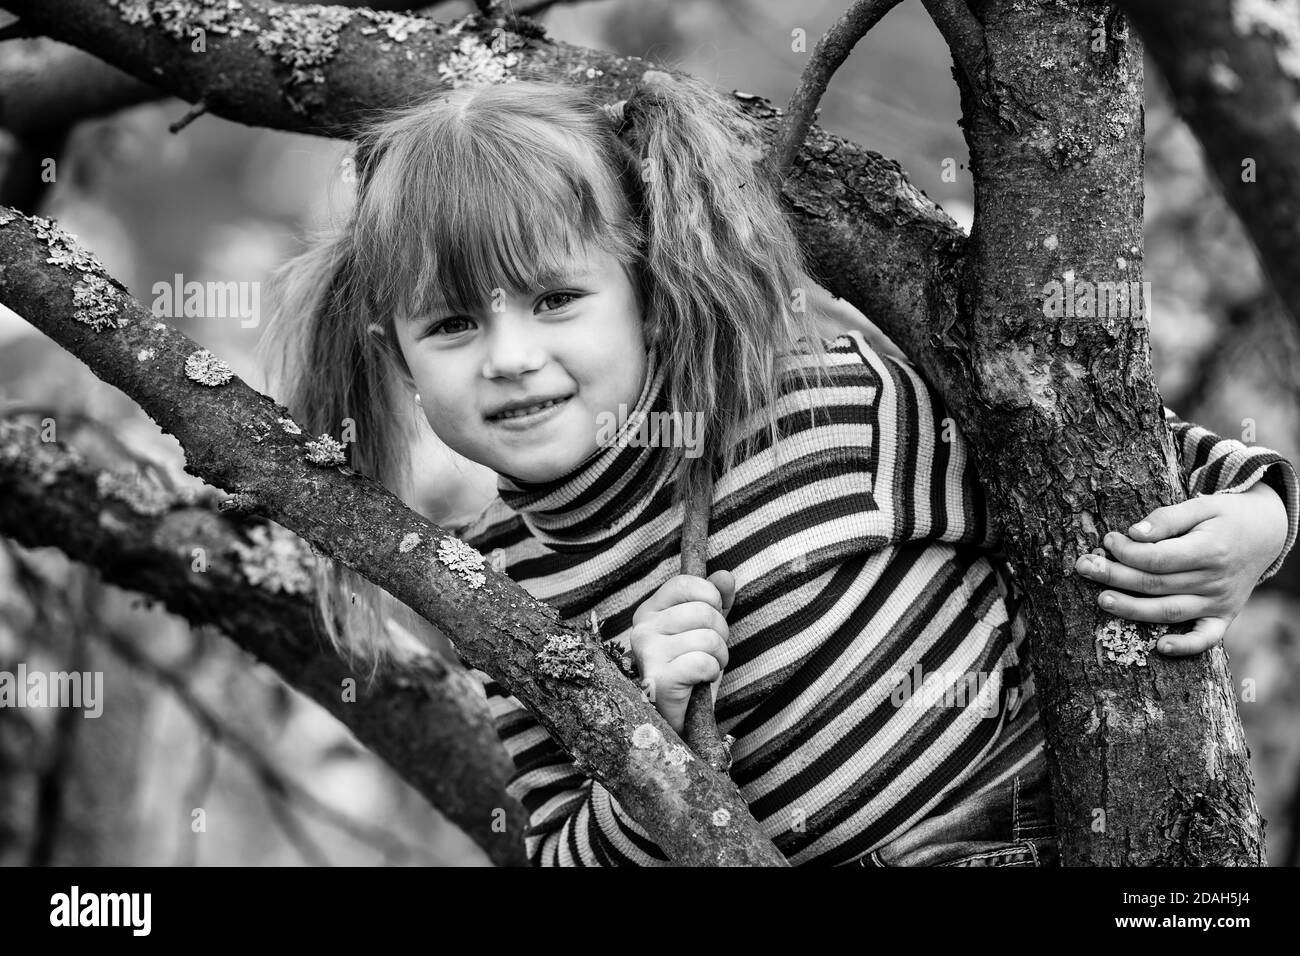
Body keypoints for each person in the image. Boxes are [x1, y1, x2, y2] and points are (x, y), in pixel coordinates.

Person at [262, 72, 1299, 866]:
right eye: (450, 324)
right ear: (392, 354)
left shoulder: (816, 404)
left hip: (1032, 829)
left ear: (648, 293)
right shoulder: (494, 582)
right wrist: (641, 747)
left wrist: (1254, 521)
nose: (511, 357)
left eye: (554, 300)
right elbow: (567, 855)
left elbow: (1106, 460)